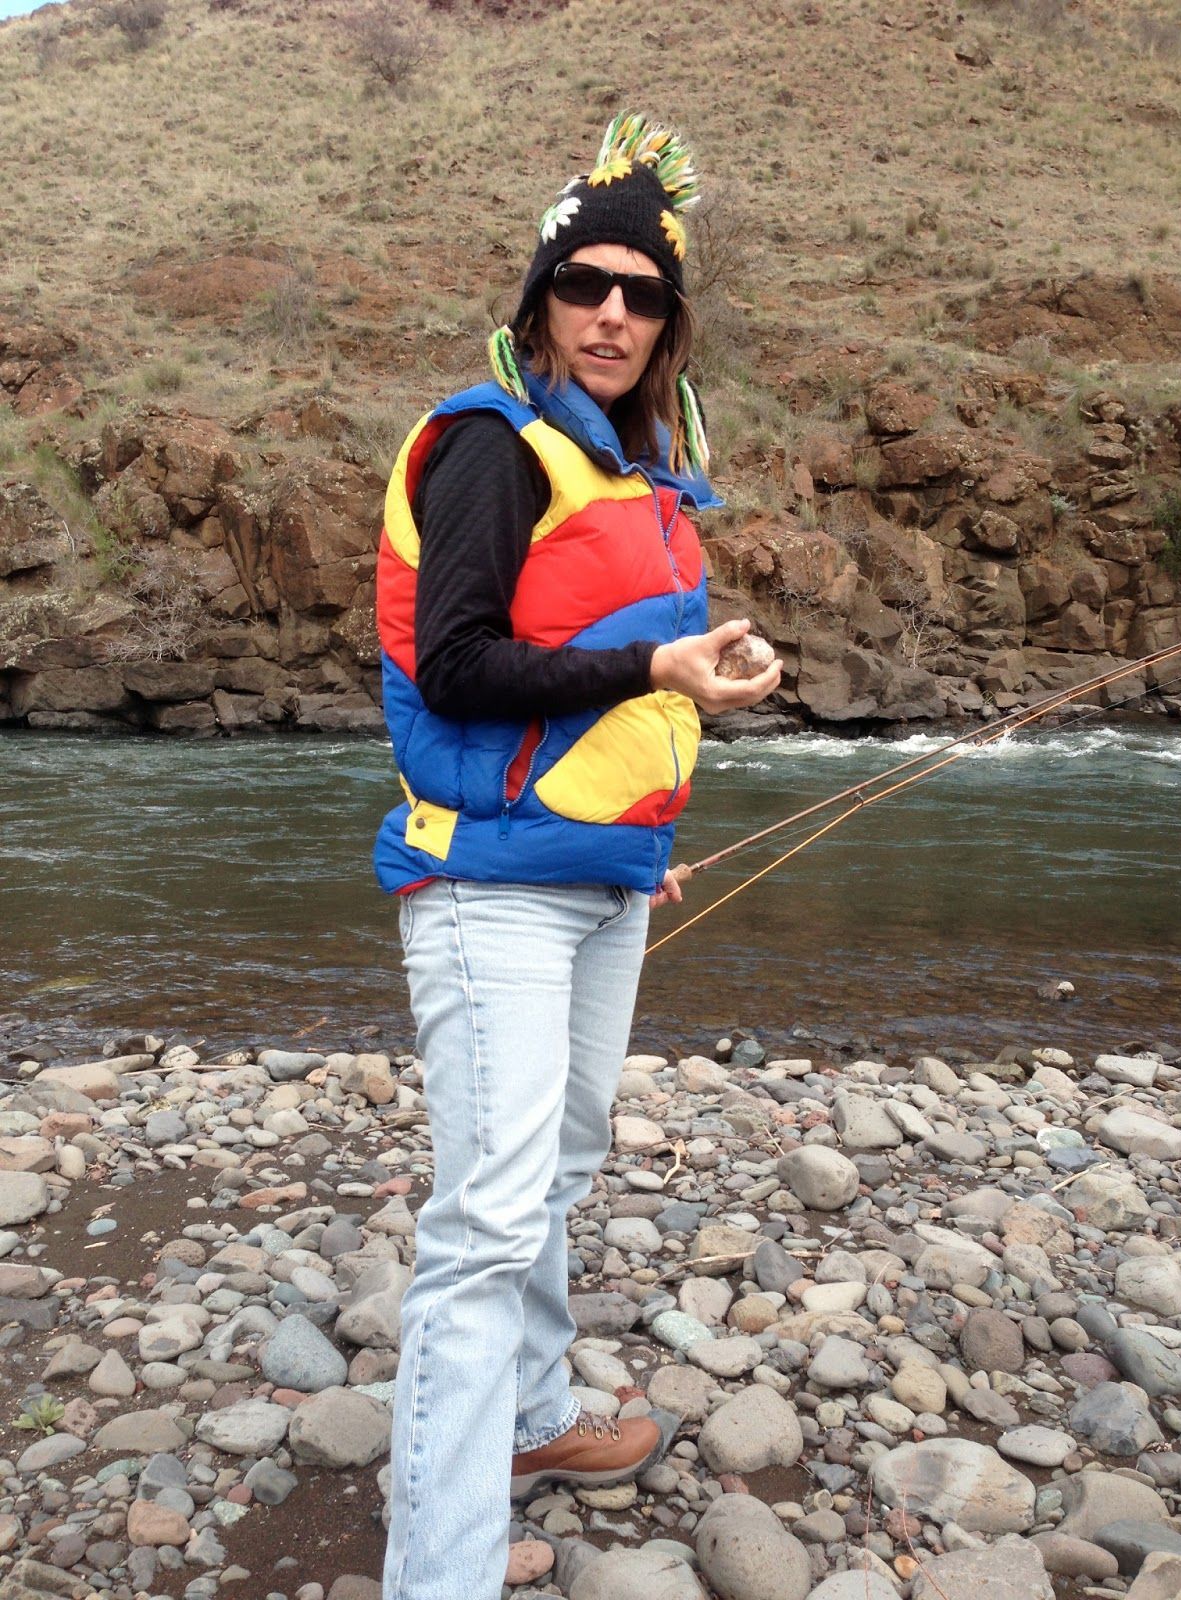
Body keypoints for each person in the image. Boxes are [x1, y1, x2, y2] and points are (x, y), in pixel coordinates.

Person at [373, 112, 781, 1600]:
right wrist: (659, 677)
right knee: (485, 1225)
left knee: (558, 1163)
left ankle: (535, 1420)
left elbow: (613, 675)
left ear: (669, 324)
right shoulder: (492, 446)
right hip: (487, 888)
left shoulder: (643, 466)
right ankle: (440, 1571)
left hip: (595, 878)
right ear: (539, 300)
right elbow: (465, 665)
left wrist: (638, 830)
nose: (611, 312)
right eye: (584, 284)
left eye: (642, 293)